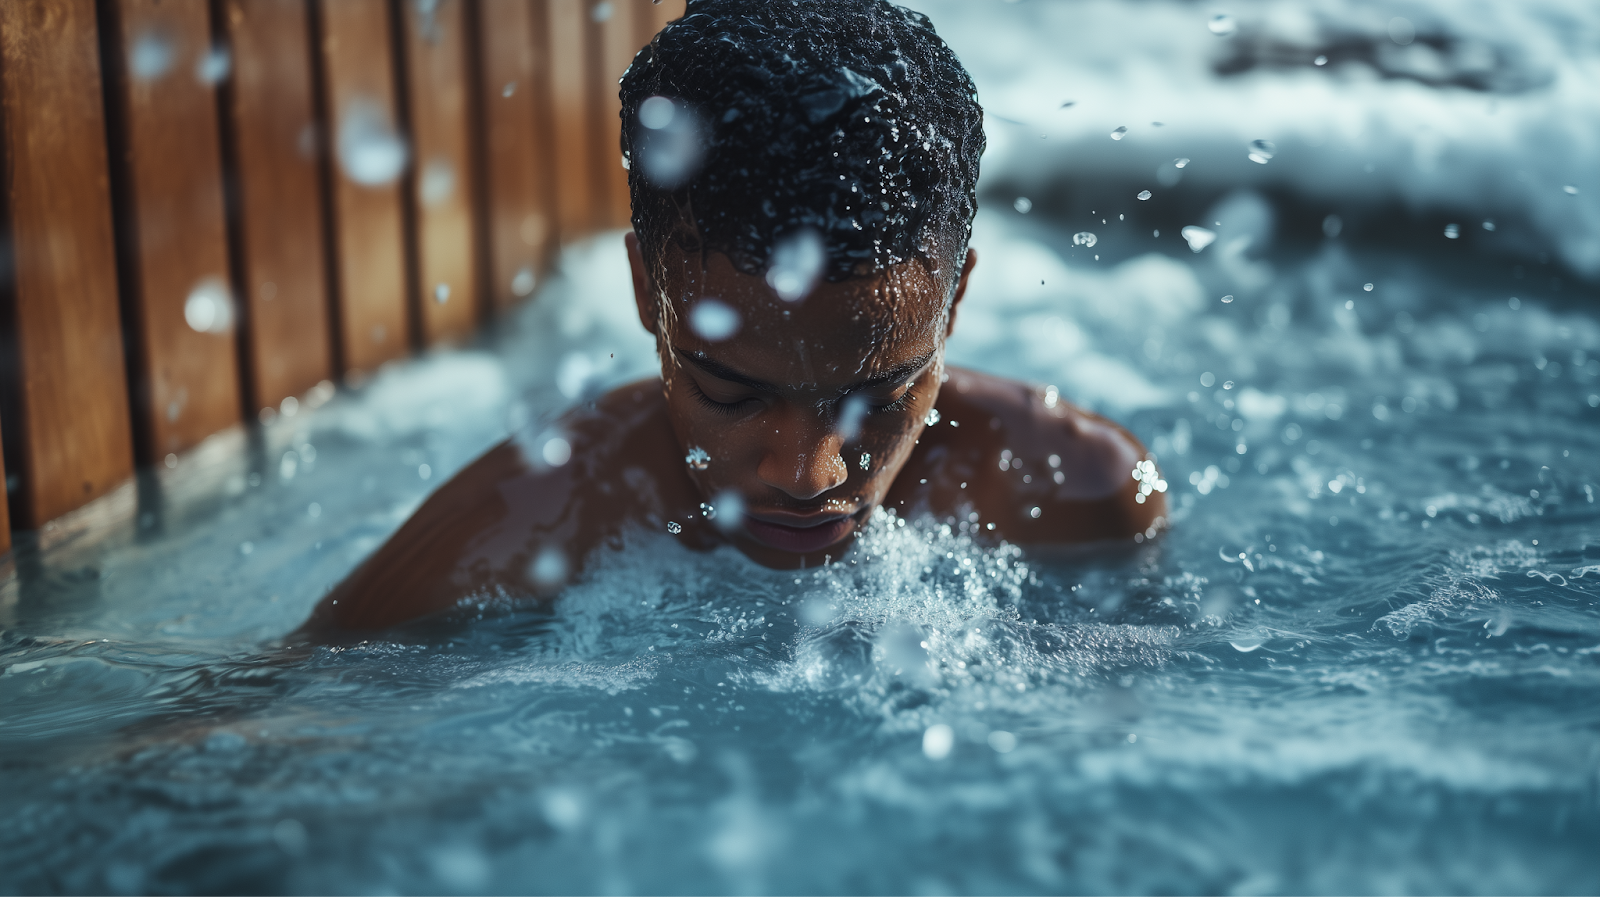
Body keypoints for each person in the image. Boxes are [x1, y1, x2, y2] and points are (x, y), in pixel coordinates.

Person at [301, 0, 1165, 633]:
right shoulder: (509, 544)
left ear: (958, 298)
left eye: (878, 394)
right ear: (648, 294)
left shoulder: (1075, 492)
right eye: (731, 393)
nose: (807, 471)